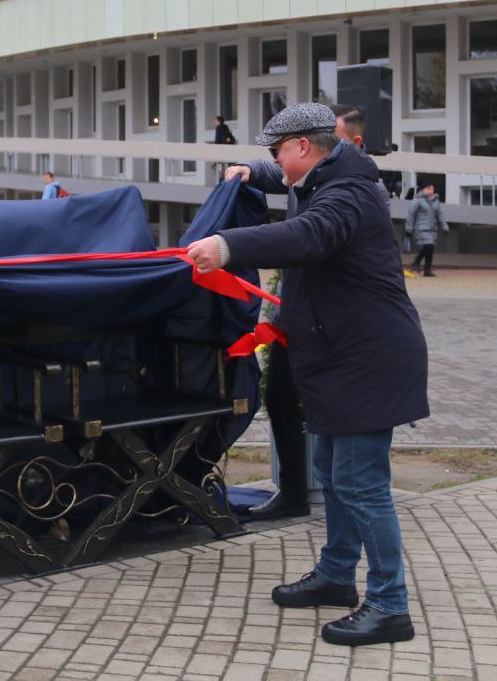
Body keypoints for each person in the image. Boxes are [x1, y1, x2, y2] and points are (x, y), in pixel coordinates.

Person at [191, 102, 428, 647]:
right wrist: (250, 171)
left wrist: (227, 245)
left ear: (303, 146)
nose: (276, 162)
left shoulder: (348, 194)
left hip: (368, 360)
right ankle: (337, 574)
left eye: (278, 151)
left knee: (362, 484)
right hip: (337, 356)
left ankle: (389, 605)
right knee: (332, 471)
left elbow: (307, 236)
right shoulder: (322, 173)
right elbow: (279, 176)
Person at [405, 183, 448, 275]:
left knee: (429, 248)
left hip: (432, 229)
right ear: (423, 189)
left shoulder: (435, 201)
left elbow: (440, 214)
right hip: (420, 228)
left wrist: (445, 226)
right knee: (429, 246)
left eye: (432, 189)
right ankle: (421, 265)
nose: (431, 191)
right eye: (428, 188)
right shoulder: (418, 199)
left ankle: (424, 267)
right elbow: (411, 214)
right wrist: (408, 228)